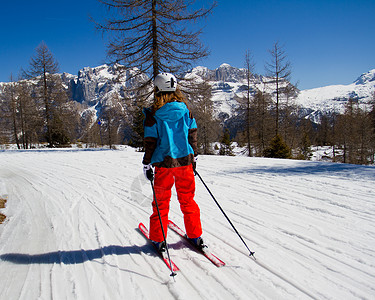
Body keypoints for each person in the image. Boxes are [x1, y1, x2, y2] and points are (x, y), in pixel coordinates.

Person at [142, 72, 204, 252]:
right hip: (185, 162)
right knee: (188, 200)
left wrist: (147, 163)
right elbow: (192, 134)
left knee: (161, 204)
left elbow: (151, 141)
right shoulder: (186, 110)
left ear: (157, 90)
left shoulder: (154, 114)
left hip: (164, 165)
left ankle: (159, 239)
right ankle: (196, 236)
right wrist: (195, 156)